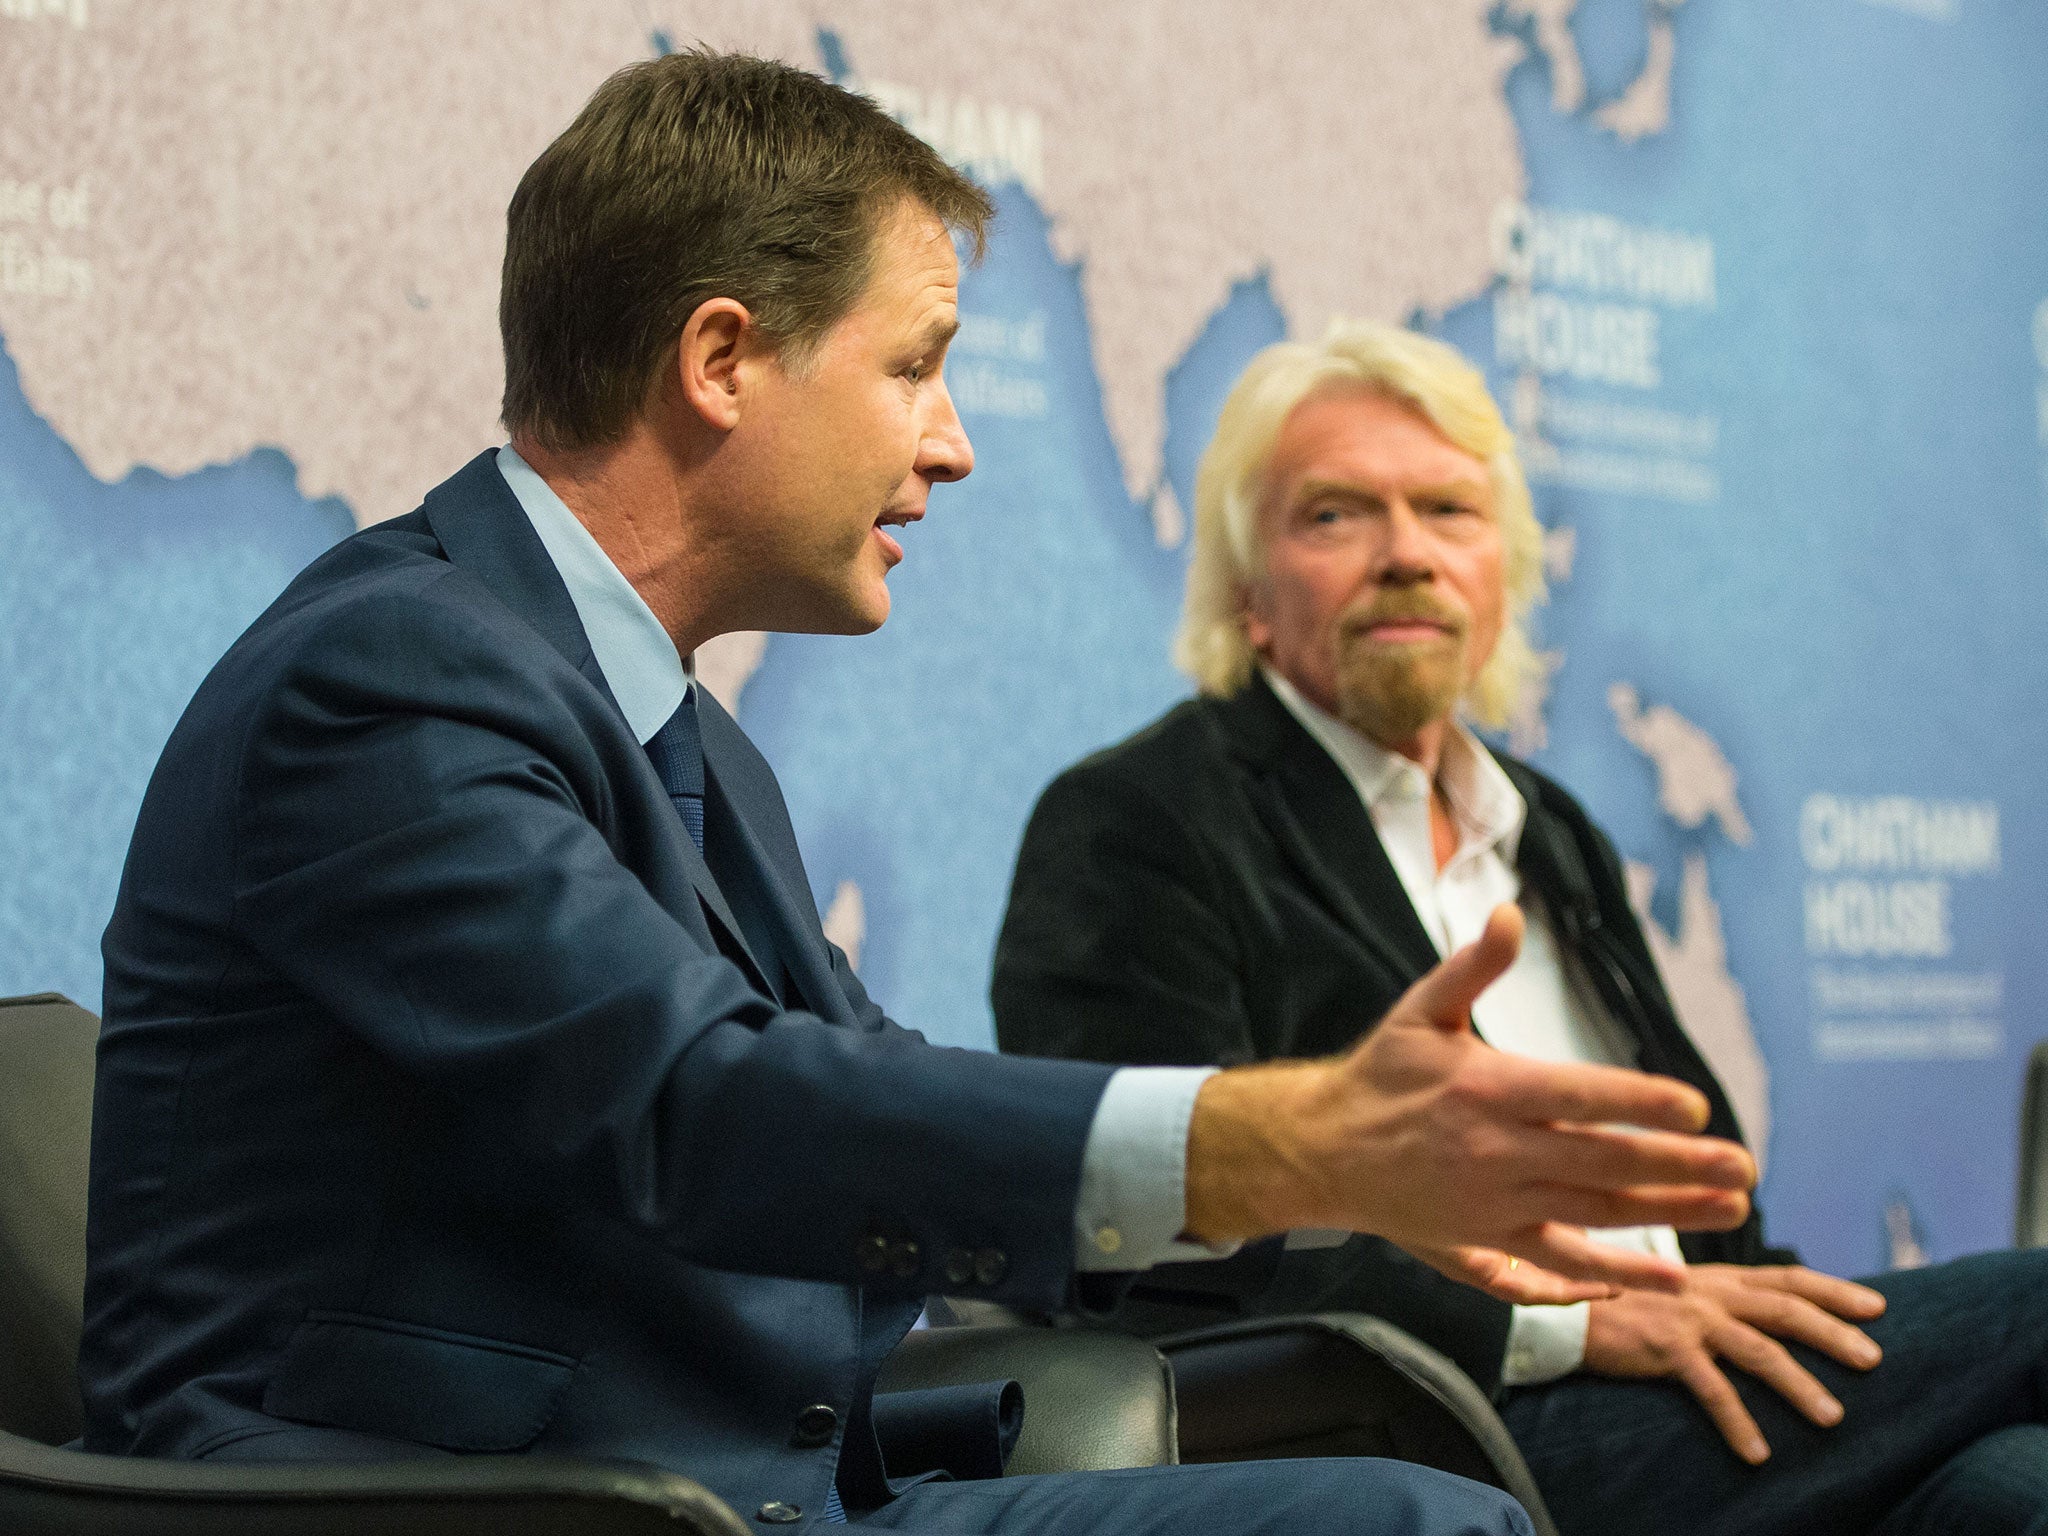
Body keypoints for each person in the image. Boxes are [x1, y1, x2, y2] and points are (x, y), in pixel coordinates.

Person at [85, 54, 1755, 1536]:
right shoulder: (385, 677)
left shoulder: (676, 729)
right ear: (723, 358)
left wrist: (1315, 1174)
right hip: (487, 1504)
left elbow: (853, 1084)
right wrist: (1273, 1136)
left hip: (734, 1478)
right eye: (914, 367)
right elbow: (703, 1110)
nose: (951, 443)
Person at [992, 319, 2048, 1536]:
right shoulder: (1138, 821)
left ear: (1503, 572)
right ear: (1248, 593)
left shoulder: (1549, 830)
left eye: (1448, 511)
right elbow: (1142, 1230)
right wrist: (1572, 1324)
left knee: (2013, 1488)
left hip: (1696, 1398)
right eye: (1334, 515)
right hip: (1446, 1427)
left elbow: (1693, 1205)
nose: (1404, 554)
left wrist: (1739, 1305)